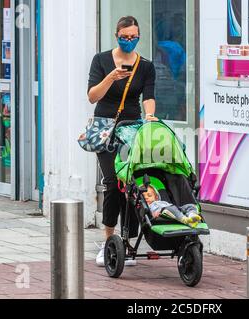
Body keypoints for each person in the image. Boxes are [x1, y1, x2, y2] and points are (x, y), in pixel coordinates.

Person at [88, 16, 158, 267]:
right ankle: (108, 241)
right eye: (124, 37)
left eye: (133, 37)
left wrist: (150, 115)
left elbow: (148, 96)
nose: (129, 41)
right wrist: (111, 78)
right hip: (106, 129)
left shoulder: (146, 66)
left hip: (132, 129)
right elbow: (92, 96)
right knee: (112, 183)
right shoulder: (101, 60)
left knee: (132, 185)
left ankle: (127, 242)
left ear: (139, 36)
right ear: (116, 35)